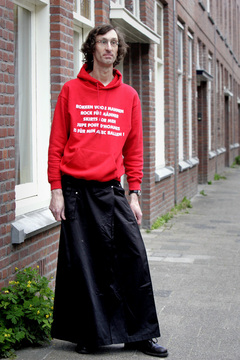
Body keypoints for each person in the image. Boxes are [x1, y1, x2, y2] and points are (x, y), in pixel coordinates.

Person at [48, 24, 168, 358]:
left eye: (114, 43)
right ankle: (89, 334)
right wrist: (56, 190)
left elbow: (134, 149)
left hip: (112, 189)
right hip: (75, 191)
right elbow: (56, 144)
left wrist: (135, 192)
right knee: (83, 265)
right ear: (92, 47)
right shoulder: (71, 90)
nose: (109, 48)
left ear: (119, 50)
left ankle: (140, 335)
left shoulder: (129, 96)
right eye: (103, 41)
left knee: (134, 258)